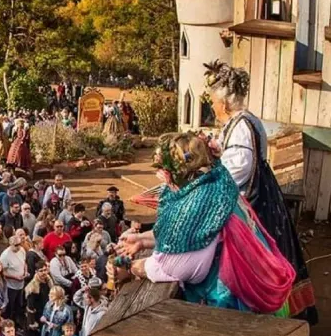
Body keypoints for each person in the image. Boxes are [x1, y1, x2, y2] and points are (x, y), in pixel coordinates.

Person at [115, 133, 295, 316]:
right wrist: (141, 240)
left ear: (171, 174)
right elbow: (180, 234)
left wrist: (130, 267)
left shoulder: (196, 206)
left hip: (237, 305)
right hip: (257, 278)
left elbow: (173, 267)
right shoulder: (216, 181)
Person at [205, 60, 317, 322]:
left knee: (257, 258)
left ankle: (263, 315)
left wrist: (208, 176)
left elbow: (239, 170)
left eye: (212, 101)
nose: (211, 105)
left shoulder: (241, 126)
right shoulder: (246, 120)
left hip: (254, 202)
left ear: (224, 103)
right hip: (264, 193)